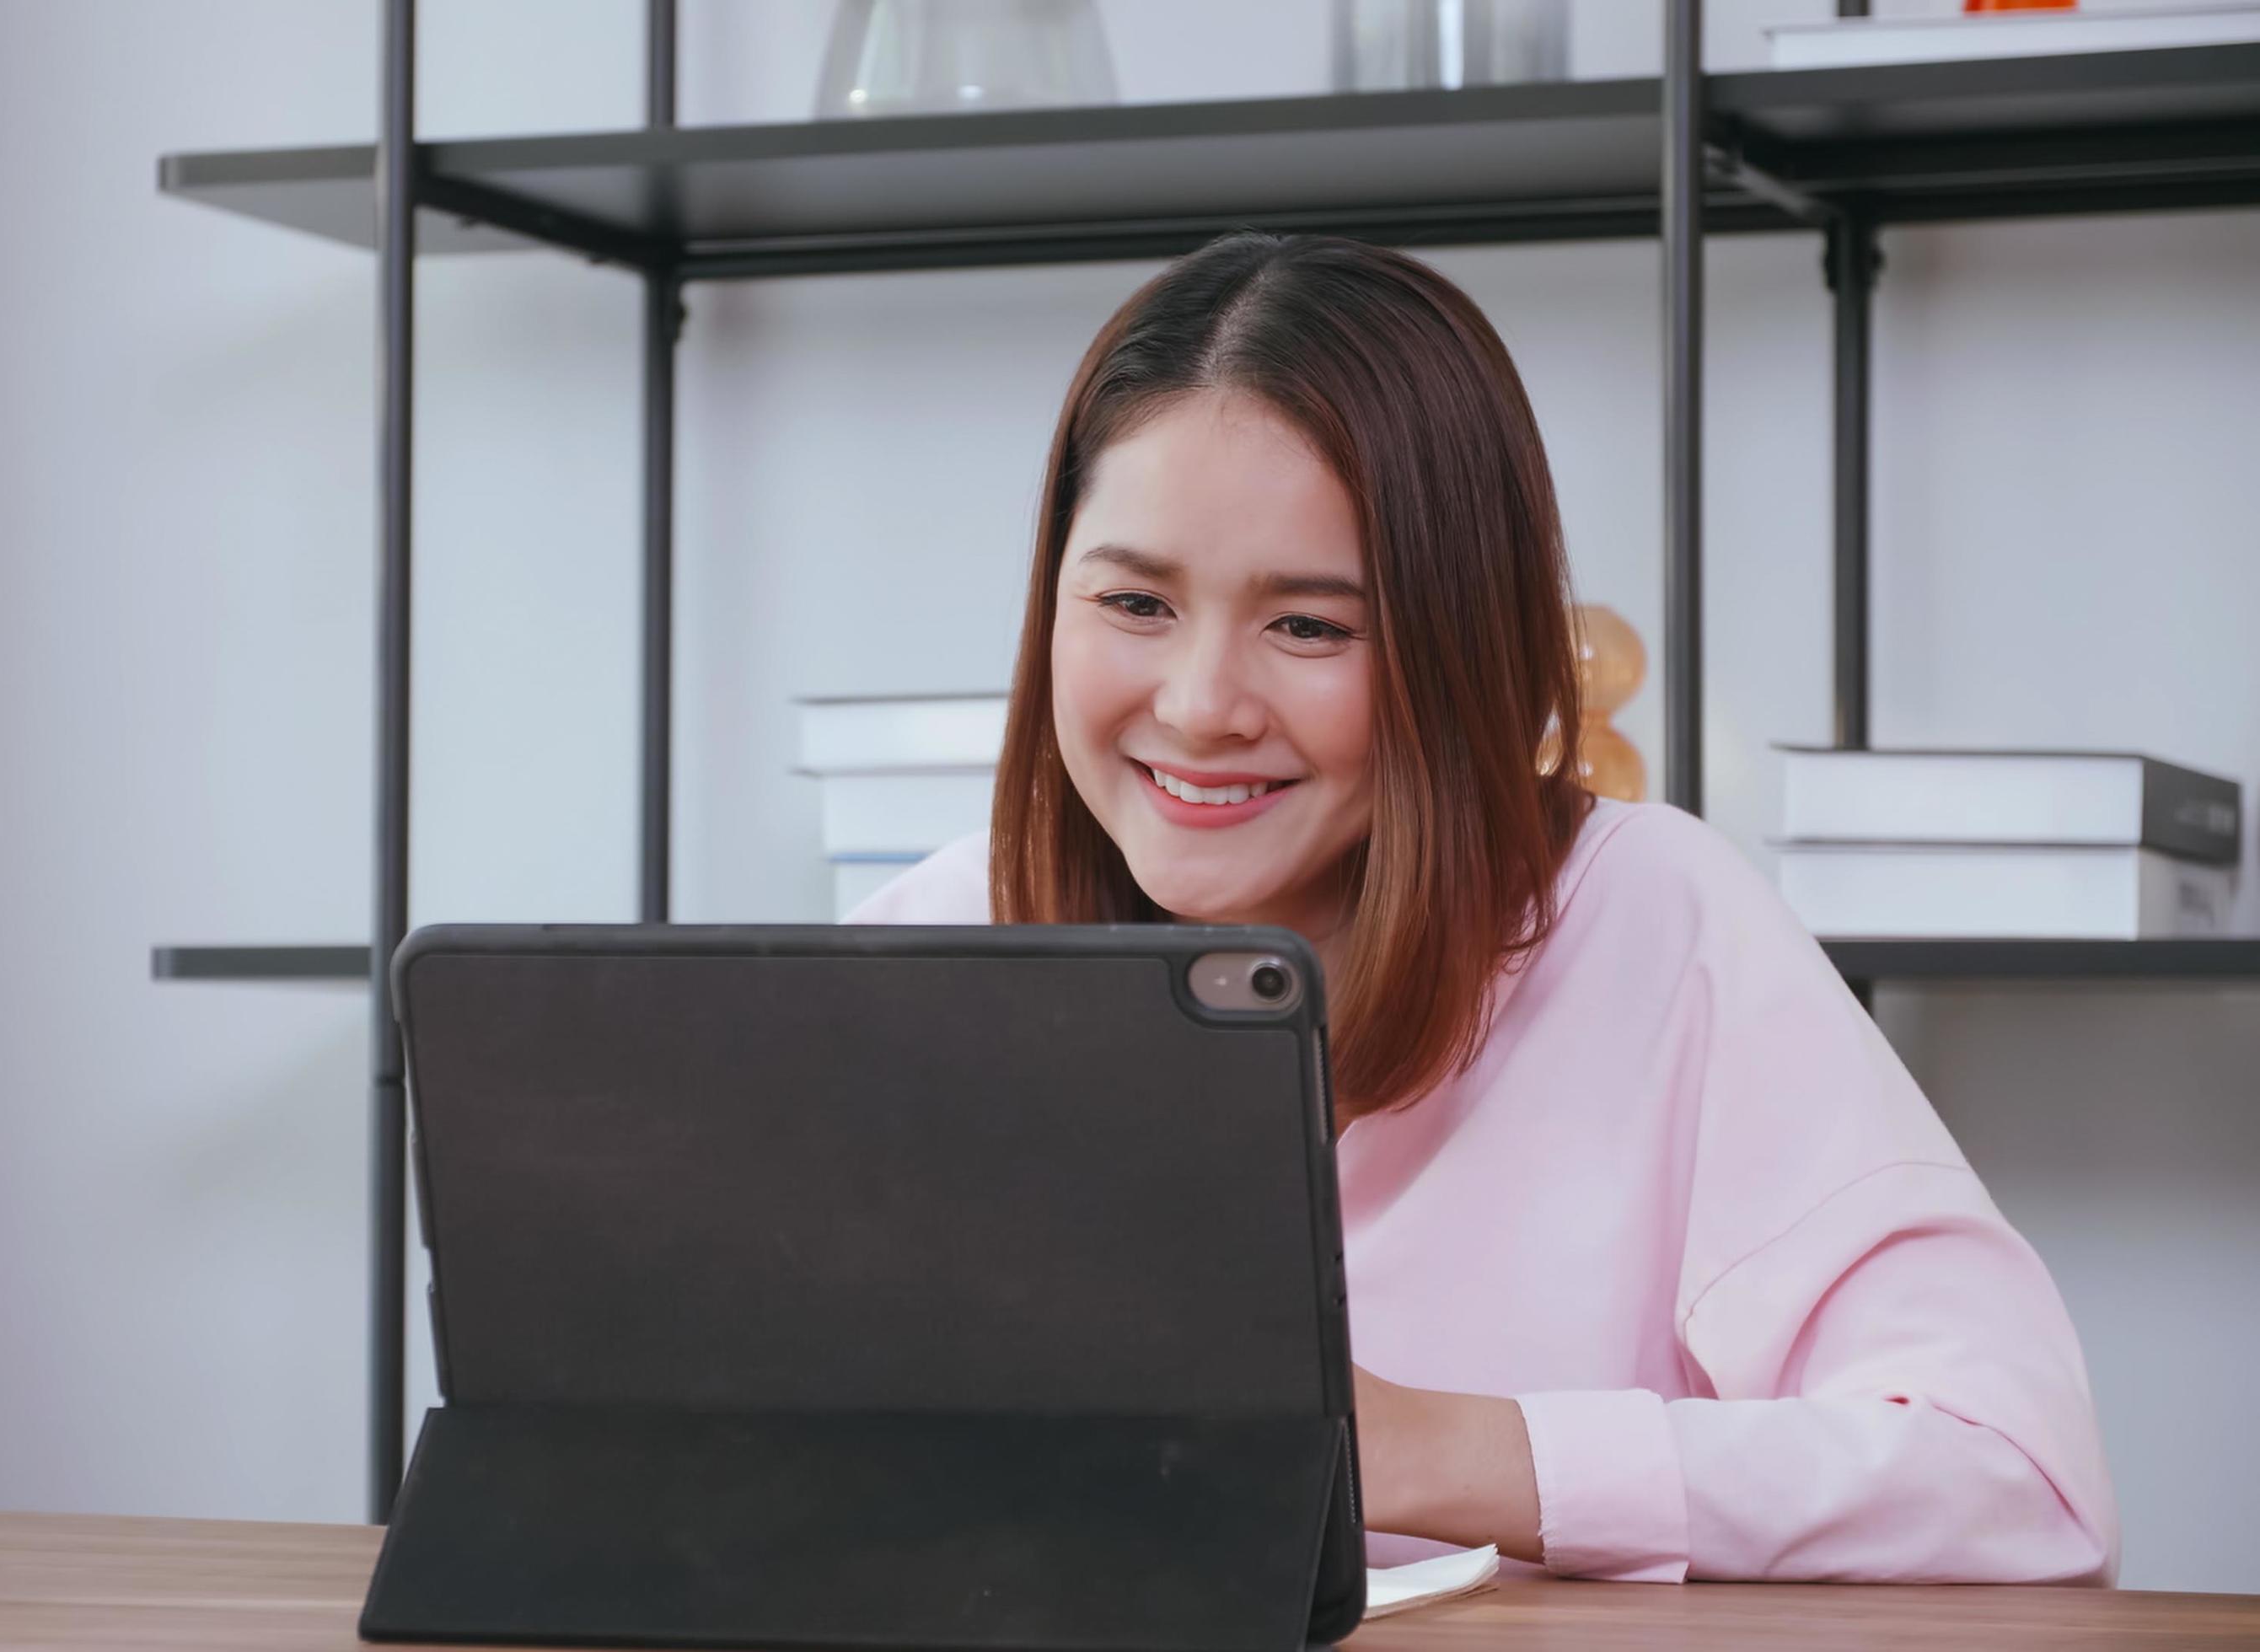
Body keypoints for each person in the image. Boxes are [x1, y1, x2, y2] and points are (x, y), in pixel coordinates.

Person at [848, 233, 2116, 1584]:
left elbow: (2023, 1486)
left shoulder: (1649, 921)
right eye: (1134, 601)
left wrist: (1433, 1452)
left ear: (1465, 646)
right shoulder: (927, 949)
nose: (1202, 706)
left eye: (1312, 627)